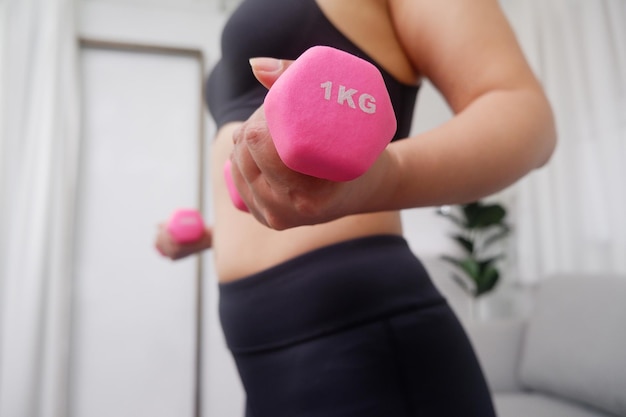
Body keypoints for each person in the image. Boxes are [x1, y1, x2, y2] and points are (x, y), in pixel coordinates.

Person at [156, 0, 557, 415]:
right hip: (259, 350)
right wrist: (217, 233)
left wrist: (385, 177)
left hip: (362, 341)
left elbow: (527, 116)